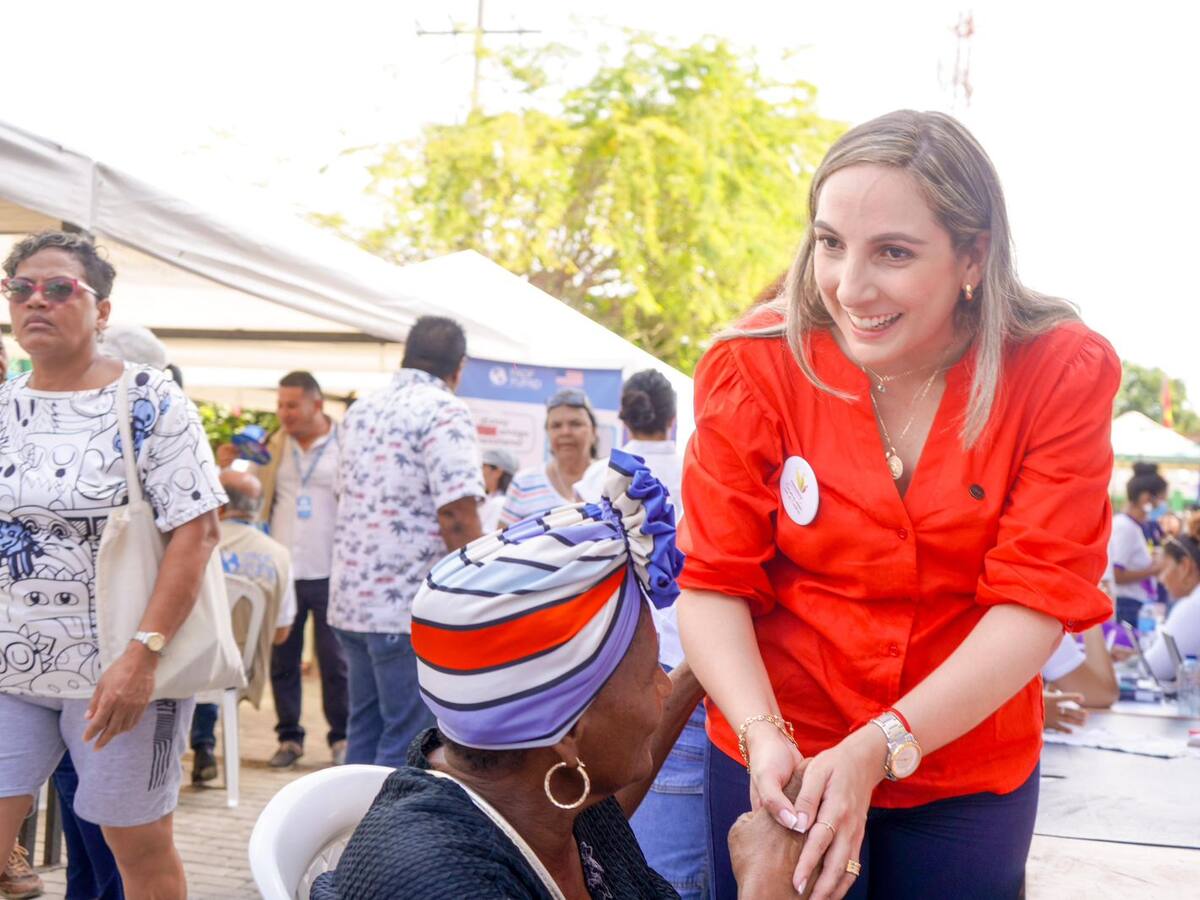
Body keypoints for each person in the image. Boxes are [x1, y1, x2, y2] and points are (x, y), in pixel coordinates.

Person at [676, 111, 1119, 900]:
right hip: (783, 750)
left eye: (894, 253)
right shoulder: (753, 365)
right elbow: (712, 584)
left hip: (963, 769)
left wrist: (878, 748)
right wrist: (763, 735)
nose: (850, 288)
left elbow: (1036, 598)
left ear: (974, 256)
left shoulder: (1058, 371)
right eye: (830, 243)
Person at [311, 451, 702, 899]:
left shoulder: (547, 793)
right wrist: (764, 883)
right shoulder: (441, 883)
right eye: (651, 671)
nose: (664, 685)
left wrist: (702, 670)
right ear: (569, 731)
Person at [0, 231, 225, 897]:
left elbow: (198, 532)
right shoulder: (5, 408)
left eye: (59, 288)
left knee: (140, 852)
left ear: (101, 311)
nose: (36, 301)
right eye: (21, 289)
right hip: (12, 668)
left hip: (122, 675)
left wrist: (143, 654)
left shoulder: (149, 401)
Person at [330, 316, 486, 766]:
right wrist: (480, 590)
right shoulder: (444, 410)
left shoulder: (360, 411)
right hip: (407, 611)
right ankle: (383, 837)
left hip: (351, 605)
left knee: (364, 732)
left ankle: (350, 834)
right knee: (405, 742)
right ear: (459, 367)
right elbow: (457, 515)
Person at [576, 370, 706, 898]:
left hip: (622, 683)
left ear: (622, 419)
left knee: (627, 860)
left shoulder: (596, 477)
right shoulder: (703, 470)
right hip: (696, 678)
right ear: (675, 419)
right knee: (675, 875)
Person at [220, 370, 348, 769]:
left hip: (331, 568)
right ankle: (289, 738)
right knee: (283, 659)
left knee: (335, 662)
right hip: (284, 568)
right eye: (280, 404)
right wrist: (229, 461)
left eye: (292, 405)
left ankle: (342, 738)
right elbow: (240, 485)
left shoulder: (346, 444)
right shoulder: (270, 446)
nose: (284, 413)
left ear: (317, 404)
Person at [190, 470, 297, 784]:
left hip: (185, 664)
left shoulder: (194, 543)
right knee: (221, 661)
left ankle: (202, 744)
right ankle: (204, 744)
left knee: (202, 653)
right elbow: (281, 634)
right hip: (240, 669)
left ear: (218, 505)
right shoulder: (279, 555)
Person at [499, 389, 606, 526]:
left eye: (575, 424)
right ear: (548, 432)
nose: (565, 432)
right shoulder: (524, 484)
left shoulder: (609, 480)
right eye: (556, 426)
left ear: (594, 431)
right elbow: (503, 542)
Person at [1109, 462, 1168, 627]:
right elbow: (1117, 574)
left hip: (1137, 606)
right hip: (1128, 607)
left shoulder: (1134, 526)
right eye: (1161, 499)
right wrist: (1153, 570)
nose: (1162, 505)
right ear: (1146, 498)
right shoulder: (1125, 527)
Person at [1144, 511, 1200, 682]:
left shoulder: (1194, 605)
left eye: (1164, 568)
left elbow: (1153, 669)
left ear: (1184, 566)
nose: (1161, 579)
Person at [479, 447, 519, 532]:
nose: (479, 471)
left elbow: (485, 539)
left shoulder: (500, 503)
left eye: (483, 467)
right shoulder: (489, 499)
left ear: (497, 472)